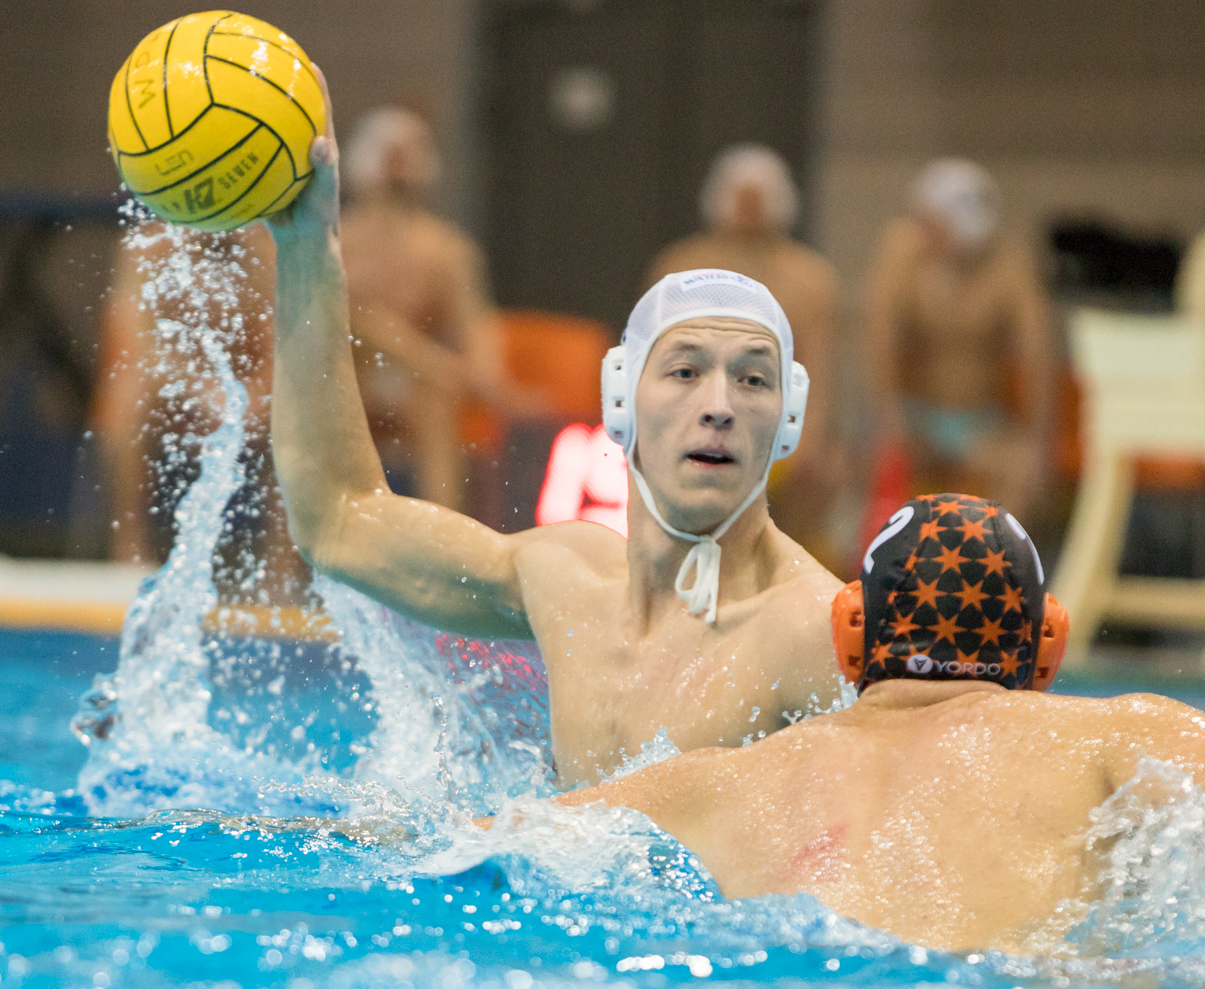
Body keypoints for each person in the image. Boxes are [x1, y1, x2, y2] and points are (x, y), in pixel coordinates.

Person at [548, 494, 1205, 955]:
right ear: (1047, 647)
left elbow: (483, 851)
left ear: (849, 636)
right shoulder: (1102, 738)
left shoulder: (707, 783)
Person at [266, 75, 842, 788]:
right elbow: (337, 521)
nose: (719, 404)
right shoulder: (563, 581)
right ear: (621, 400)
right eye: (686, 371)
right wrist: (305, 250)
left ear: (788, 419)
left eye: (753, 379)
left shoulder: (816, 632)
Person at [648, 145, 844, 561]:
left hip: (773, 426)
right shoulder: (680, 267)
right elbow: (654, 362)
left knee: (821, 472)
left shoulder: (811, 280)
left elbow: (820, 375)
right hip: (695, 416)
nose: (749, 212)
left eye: (758, 200)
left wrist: (809, 442)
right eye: (742, 199)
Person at [339, 106, 540, 510]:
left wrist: (487, 377)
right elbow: (348, 324)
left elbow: (477, 327)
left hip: (417, 385)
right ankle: (284, 563)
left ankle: (443, 538)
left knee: (434, 398)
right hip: (343, 374)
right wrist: (430, 361)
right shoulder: (334, 242)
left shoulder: (446, 250)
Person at [96, 223, 308, 605]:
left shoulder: (264, 251)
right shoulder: (147, 248)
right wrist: (202, 387)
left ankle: (281, 568)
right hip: (173, 389)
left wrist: (254, 393)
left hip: (246, 393)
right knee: (129, 396)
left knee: (293, 403)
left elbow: (288, 343)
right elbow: (141, 348)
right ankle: (128, 549)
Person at [865, 160, 1055, 523]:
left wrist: (1036, 443)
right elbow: (880, 336)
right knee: (875, 468)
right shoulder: (903, 251)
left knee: (1020, 474)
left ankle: (993, 572)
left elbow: (1037, 356)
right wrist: (891, 417)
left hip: (979, 424)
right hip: (915, 412)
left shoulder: (1008, 267)